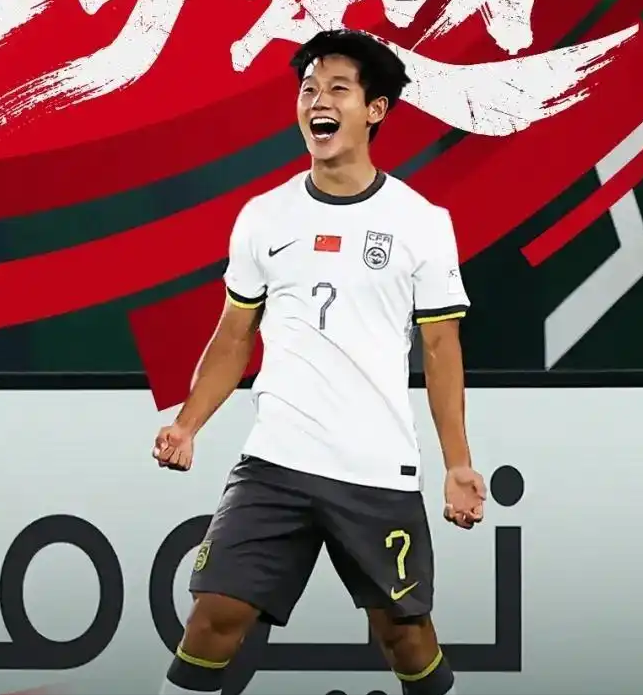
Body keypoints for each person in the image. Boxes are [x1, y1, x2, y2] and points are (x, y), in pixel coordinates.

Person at [151, 29, 484, 695]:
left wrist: (457, 463)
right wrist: (187, 424)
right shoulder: (264, 217)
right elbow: (234, 337)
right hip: (275, 463)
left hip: (375, 470)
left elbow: (441, 349)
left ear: (375, 109)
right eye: (308, 89)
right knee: (213, 617)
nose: (318, 102)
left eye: (337, 89)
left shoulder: (421, 221)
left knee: (404, 636)